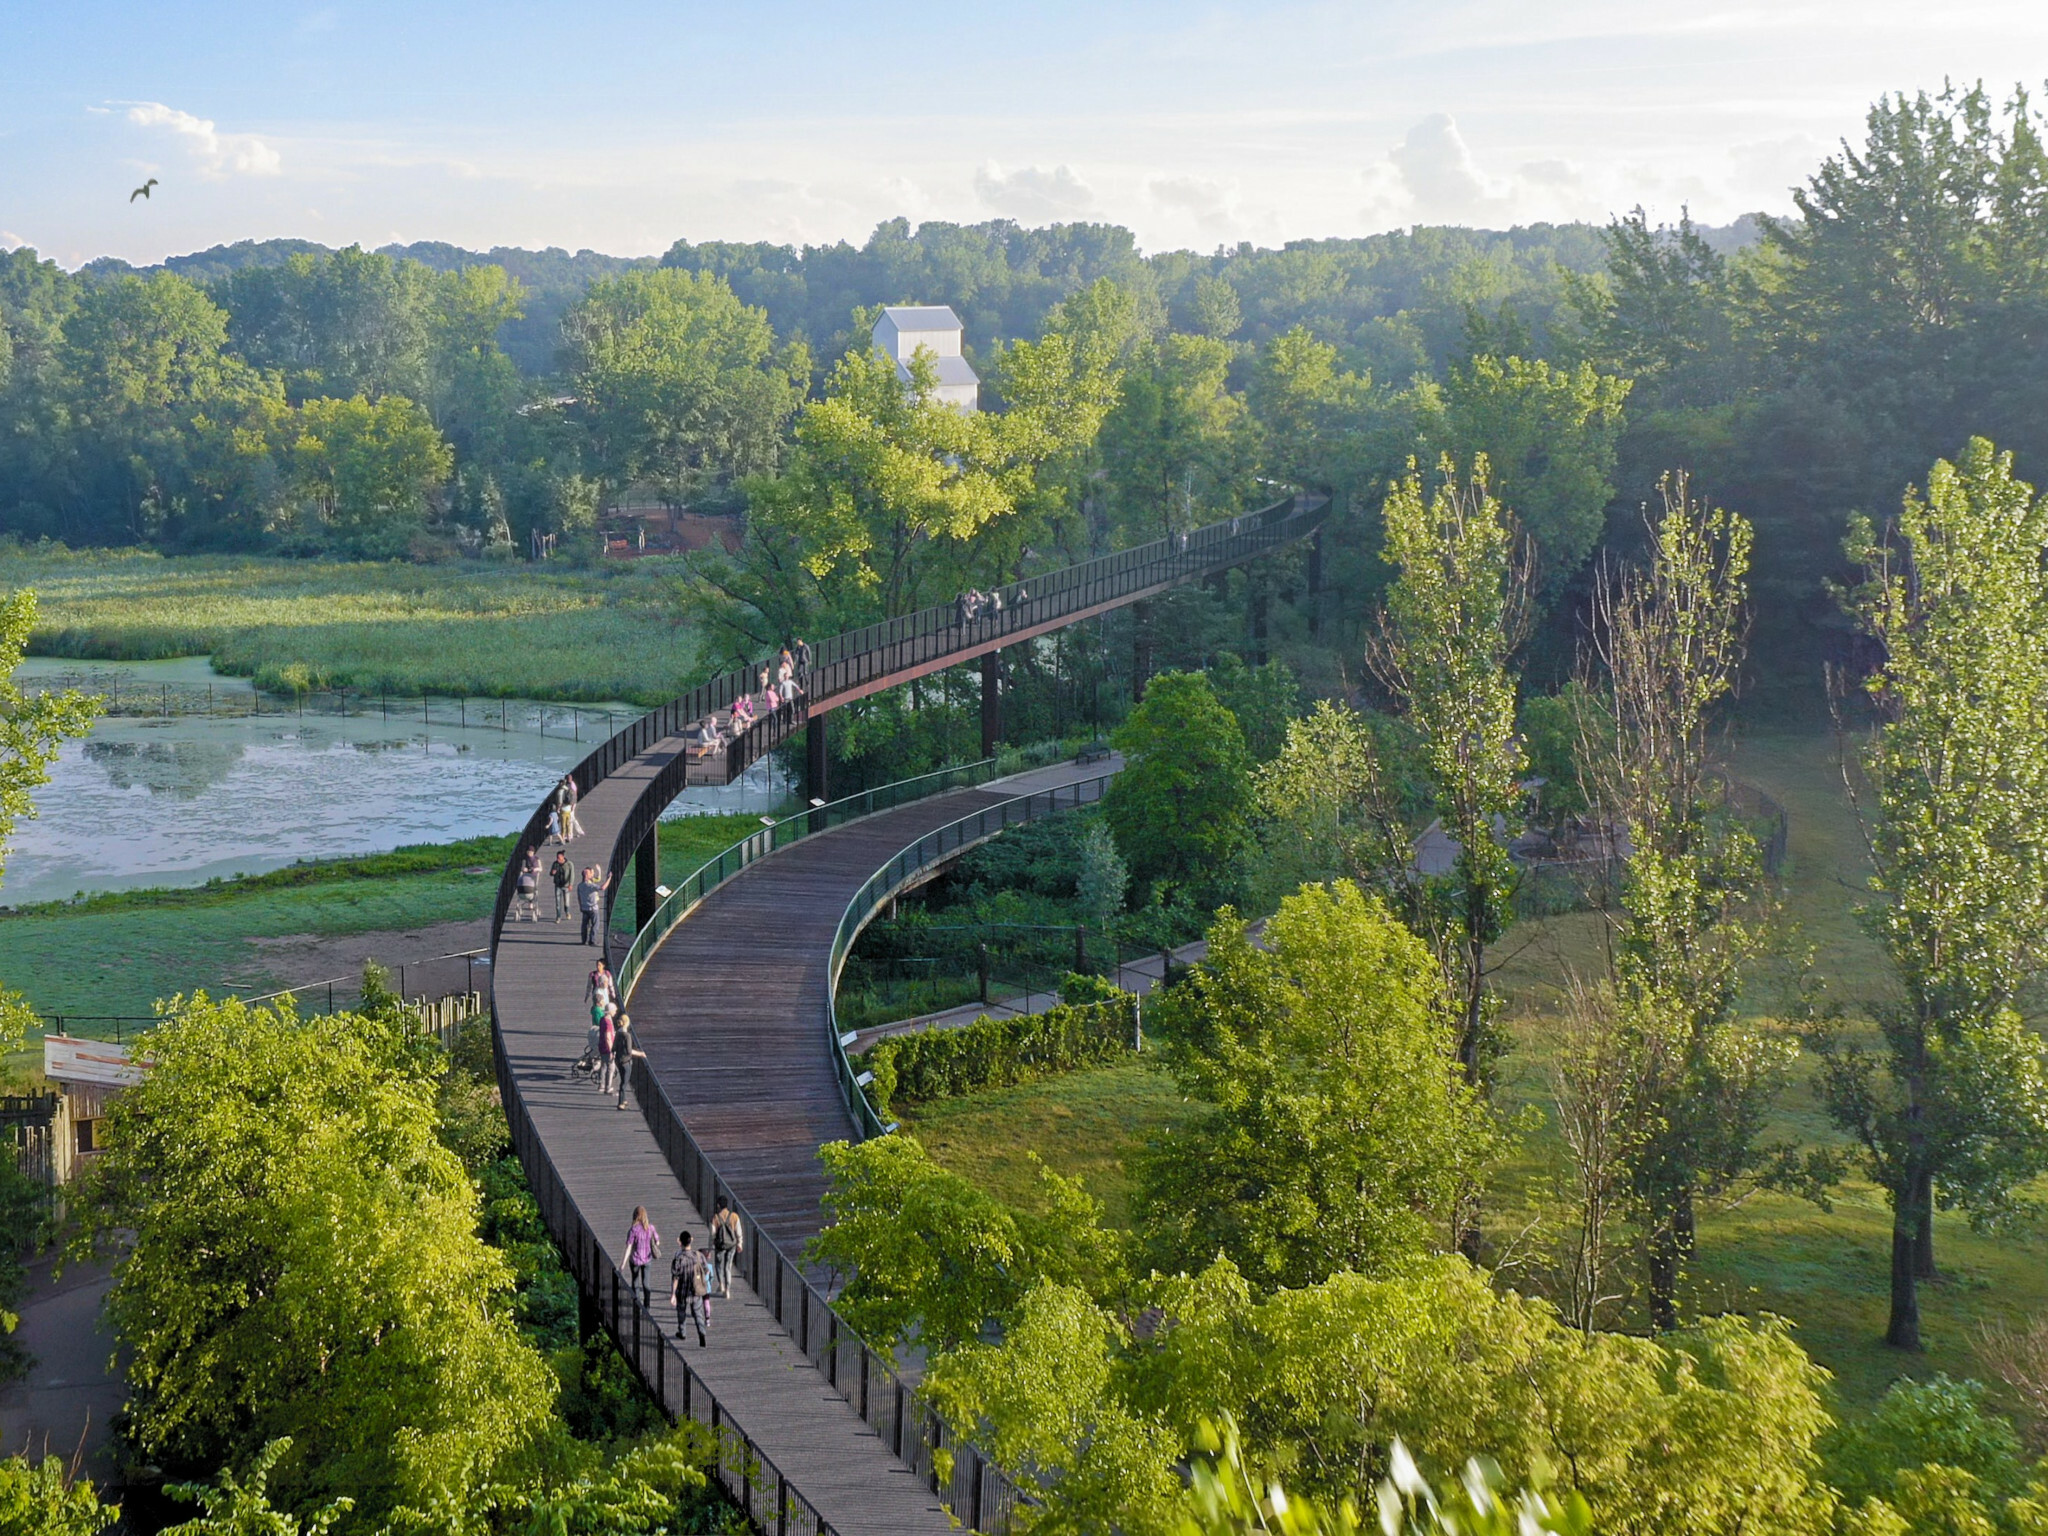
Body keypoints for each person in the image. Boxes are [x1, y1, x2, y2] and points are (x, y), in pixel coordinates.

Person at [671, 1228, 711, 1346]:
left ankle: (682, 1332)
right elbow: (707, 1270)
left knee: (681, 1312)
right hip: (696, 1291)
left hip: (682, 1292)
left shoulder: (678, 1259)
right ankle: (701, 1333)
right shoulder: (699, 1256)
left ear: (680, 1242)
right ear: (691, 1241)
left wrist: (673, 1294)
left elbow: (675, 1278)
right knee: (698, 1313)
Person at [624, 1206, 660, 1309]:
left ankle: (637, 1305)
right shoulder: (651, 1228)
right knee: (646, 1283)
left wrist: (623, 1264)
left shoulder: (633, 1230)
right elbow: (657, 1241)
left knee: (635, 1282)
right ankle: (647, 1306)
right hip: (647, 1259)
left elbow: (629, 1247)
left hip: (635, 1260)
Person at [709, 1194, 743, 1298]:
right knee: (728, 1266)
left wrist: (710, 1248)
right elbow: (738, 1232)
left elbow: (712, 1235)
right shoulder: (734, 1216)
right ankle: (727, 1290)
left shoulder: (715, 1218)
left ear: (718, 1205)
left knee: (718, 1264)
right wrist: (739, 1243)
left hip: (720, 1245)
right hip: (731, 1245)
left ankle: (721, 1284)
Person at [611, 1010, 644, 1110]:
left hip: (618, 1060)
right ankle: (620, 1103)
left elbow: (613, 1048)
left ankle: (624, 1099)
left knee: (622, 1079)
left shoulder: (618, 1033)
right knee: (624, 1082)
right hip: (626, 1061)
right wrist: (640, 1054)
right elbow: (629, 1051)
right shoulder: (627, 1036)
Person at [577, 864, 613, 948]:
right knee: (595, 925)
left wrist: (580, 906)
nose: (592, 875)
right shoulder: (591, 886)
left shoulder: (580, 885)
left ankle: (584, 940)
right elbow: (603, 887)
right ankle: (592, 941)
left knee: (584, 925)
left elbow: (579, 897)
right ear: (587, 875)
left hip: (584, 907)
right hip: (593, 908)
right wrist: (609, 878)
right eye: (591, 873)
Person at [515, 849, 540, 921]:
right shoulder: (525, 860)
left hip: (533, 877)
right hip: (526, 879)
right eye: (528, 852)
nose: (529, 853)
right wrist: (524, 869)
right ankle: (532, 906)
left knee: (533, 889)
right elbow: (522, 868)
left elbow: (540, 868)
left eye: (531, 852)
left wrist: (536, 869)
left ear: (533, 852)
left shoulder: (537, 859)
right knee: (532, 891)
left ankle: (531, 904)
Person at [551, 849, 573, 921]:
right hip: (558, 885)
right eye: (557, 857)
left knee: (566, 902)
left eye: (559, 857)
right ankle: (558, 916)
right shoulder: (555, 864)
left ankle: (567, 912)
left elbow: (572, 875)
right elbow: (551, 873)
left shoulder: (569, 864)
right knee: (558, 902)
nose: (558, 859)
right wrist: (552, 873)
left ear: (563, 857)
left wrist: (571, 884)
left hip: (566, 885)